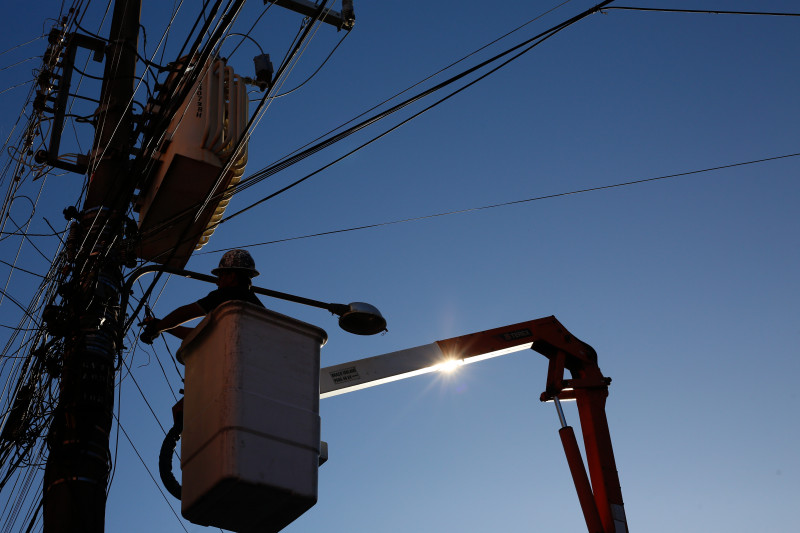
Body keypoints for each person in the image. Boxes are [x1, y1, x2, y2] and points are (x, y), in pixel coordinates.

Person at [140, 249, 264, 344]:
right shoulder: (258, 308)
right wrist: (162, 326)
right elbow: (198, 336)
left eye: (220, 277)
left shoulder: (227, 295)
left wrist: (155, 328)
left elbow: (185, 313)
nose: (217, 282)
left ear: (231, 276)